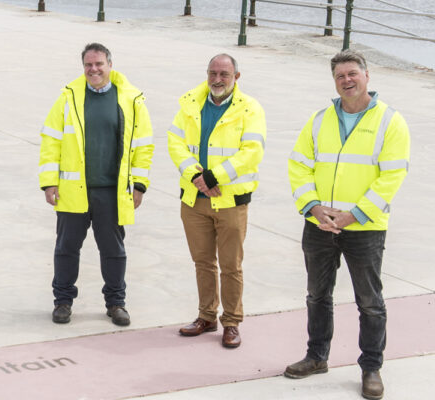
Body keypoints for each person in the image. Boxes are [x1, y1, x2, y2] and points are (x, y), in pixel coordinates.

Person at [284, 49, 410, 400]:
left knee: (369, 301)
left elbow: (392, 176)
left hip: (364, 228)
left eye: (352, 73)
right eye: (340, 76)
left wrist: (356, 214)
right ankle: (316, 356)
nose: (347, 80)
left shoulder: (390, 121)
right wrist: (313, 207)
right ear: (334, 81)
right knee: (317, 295)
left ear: (367, 76)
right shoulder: (320, 119)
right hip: (320, 225)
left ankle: (371, 366)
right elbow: (298, 165)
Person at [38, 43, 154, 327]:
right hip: (73, 190)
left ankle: (116, 303)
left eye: (99, 64)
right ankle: (63, 302)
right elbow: (50, 141)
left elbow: (143, 146)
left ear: (110, 65)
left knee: (113, 250)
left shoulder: (130, 98)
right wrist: (48, 183)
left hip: (111, 192)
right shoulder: (68, 98)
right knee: (66, 249)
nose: (94, 70)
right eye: (89, 65)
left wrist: (139, 185)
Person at [167, 54, 266, 349]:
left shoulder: (250, 108)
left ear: (237, 76)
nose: (217, 79)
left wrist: (215, 177)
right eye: (213, 73)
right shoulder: (190, 103)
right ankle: (206, 316)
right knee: (203, 262)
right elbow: (175, 142)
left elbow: (252, 151)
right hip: (194, 199)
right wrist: (195, 175)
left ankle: (232, 321)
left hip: (231, 201)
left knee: (231, 265)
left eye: (224, 74)